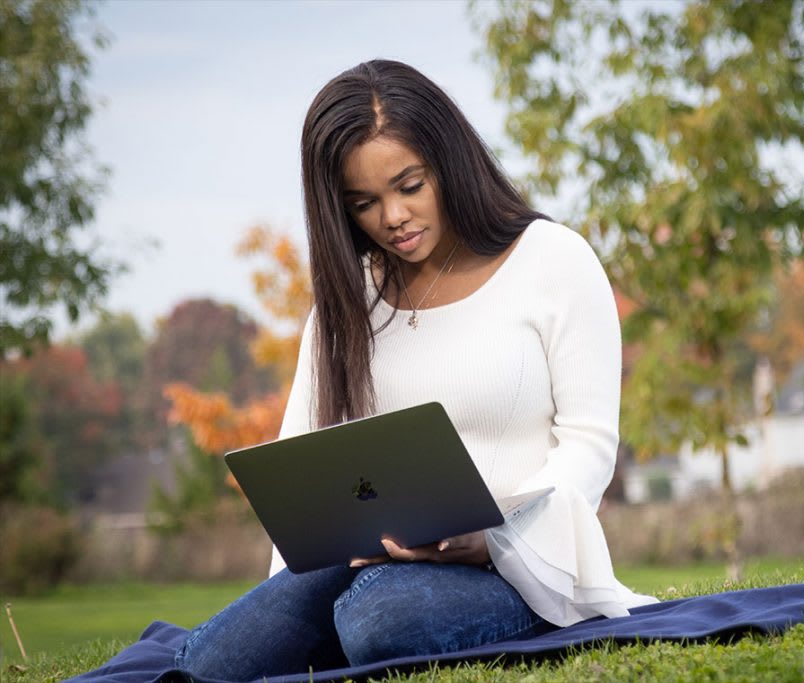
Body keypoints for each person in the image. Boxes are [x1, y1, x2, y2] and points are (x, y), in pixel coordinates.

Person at [174, 59, 657, 680]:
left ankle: (360, 622)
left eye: (409, 185)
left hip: (519, 567)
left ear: (448, 163)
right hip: (364, 564)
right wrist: (286, 595)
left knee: (378, 622)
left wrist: (494, 539)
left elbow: (589, 445)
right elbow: (300, 470)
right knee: (216, 661)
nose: (393, 217)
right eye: (363, 203)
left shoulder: (554, 261)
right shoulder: (345, 306)